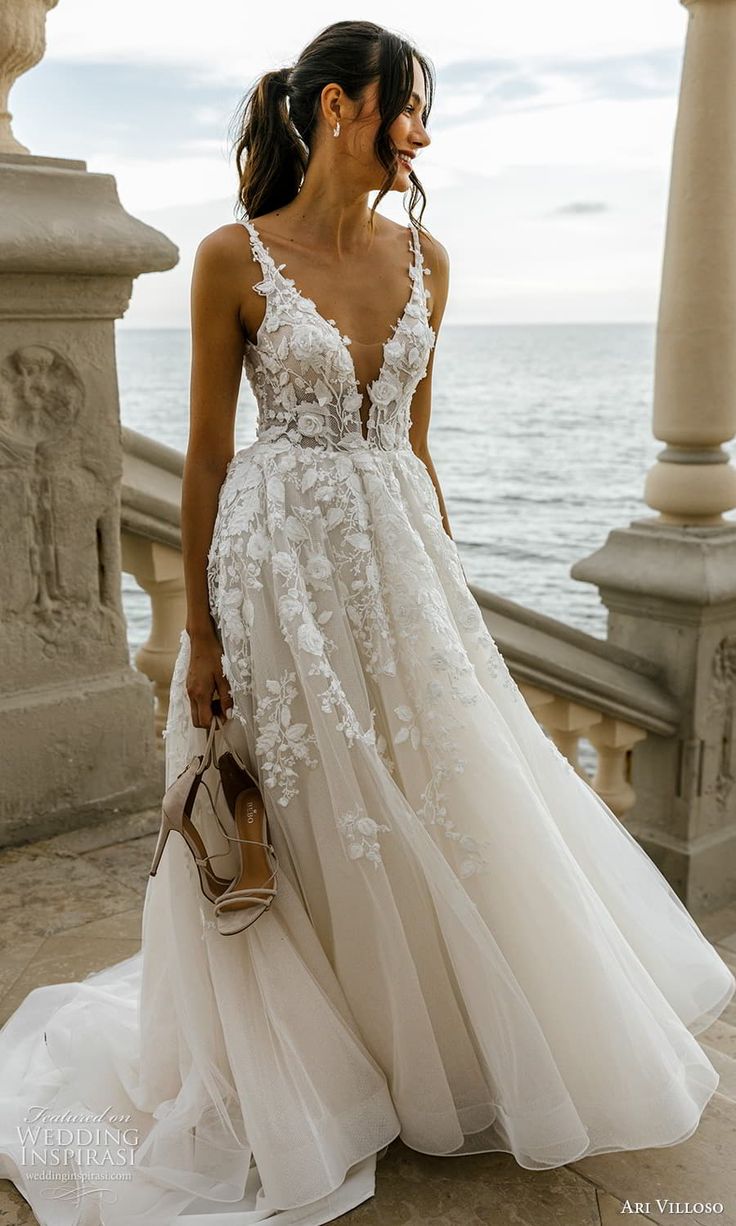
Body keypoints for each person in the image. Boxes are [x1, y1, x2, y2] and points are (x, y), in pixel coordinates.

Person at [1, 18, 734, 1226]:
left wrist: (446, 592)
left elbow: (419, 447)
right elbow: (199, 459)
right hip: (270, 570)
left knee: (425, 797)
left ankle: (420, 1049)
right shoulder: (231, 259)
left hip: (397, 566)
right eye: (406, 108)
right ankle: (305, 1064)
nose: (422, 133)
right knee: (292, 811)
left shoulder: (430, 258)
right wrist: (202, 636)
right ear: (339, 107)